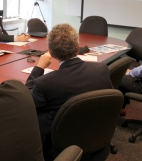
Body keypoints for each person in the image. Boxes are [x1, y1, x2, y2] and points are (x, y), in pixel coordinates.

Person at [25, 23, 113, 160]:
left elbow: (26, 101)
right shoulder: (101, 70)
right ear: (78, 47)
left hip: (61, 146)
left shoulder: (45, 83)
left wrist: (39, 68)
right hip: (97, 137)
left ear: (50, 52)